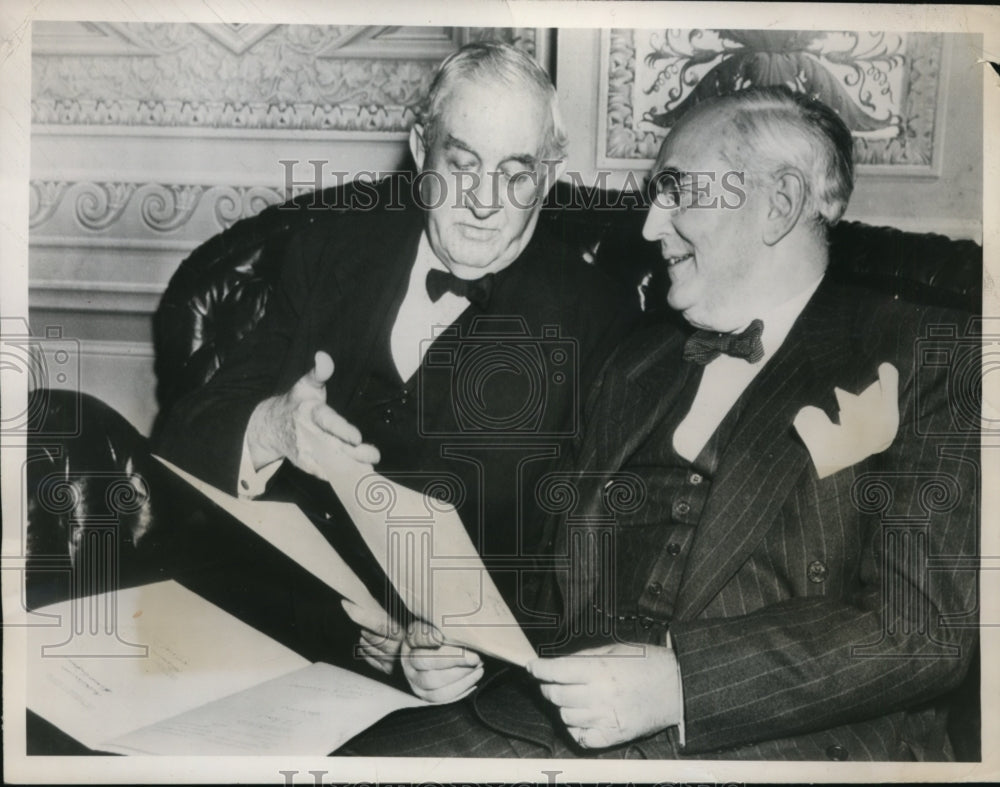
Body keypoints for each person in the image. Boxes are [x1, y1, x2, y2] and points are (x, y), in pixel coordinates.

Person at [341, 85, 979, 760]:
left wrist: (681, 685)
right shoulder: (635, 361)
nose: (649, 227)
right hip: (553, 723)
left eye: (676, 192)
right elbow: (549, 579)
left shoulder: (932, 356)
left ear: (780, 203)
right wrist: (456, 638)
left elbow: (923, 630)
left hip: (782, 745)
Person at [154, 42, 638, 688]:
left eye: (516, 175)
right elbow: (181, 439)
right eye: (461, 165)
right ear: (419, 150)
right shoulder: (330, 249)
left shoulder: (600, 320)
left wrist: (454, 650)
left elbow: (584, 571)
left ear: (548, 176)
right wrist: (271, 427)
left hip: (448, 697)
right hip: (272, 638)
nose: (484, 202)